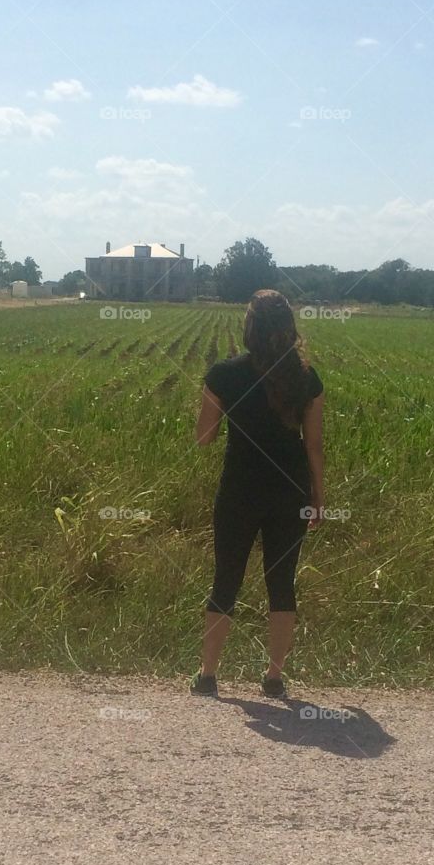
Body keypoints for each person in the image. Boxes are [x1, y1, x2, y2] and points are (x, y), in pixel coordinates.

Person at [190, 290, 324, 699]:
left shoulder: (224, 375)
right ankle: (274, 678)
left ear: (249, 326)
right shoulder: (307, 378)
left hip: (239, 491)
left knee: (225, 580)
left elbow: (204, 438)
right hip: (290, 493)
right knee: (282, 583)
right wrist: (318, 497)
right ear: (289, 327)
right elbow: (314, 447)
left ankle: (208, 675)